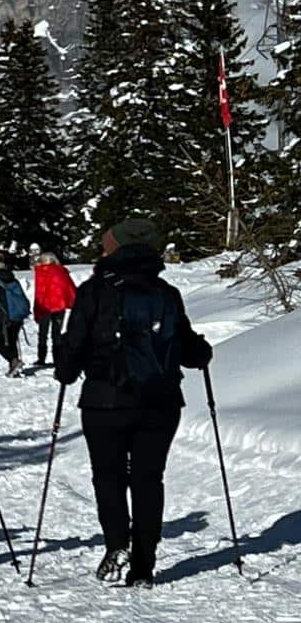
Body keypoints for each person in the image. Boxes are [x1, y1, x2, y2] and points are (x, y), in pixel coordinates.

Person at [54, 218, 212, 588]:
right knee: (148, 479)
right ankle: (143, 566)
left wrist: (65, 369)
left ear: (118, 247)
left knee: (108, 477)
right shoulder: (166, 292)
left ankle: (116, 543)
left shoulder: (94, 291)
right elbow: (189, 351)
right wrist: (202, 351)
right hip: (160, 401)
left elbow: (73, 350)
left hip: (104, 402)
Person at [32, 251, 77, 368]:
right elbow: (69, 288)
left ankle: (41, 358)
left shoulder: (41, 272)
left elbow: (40, 292)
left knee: (43, 333)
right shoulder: (61, 271)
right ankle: (58, 358)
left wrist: (37, 308)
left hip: (45, 307)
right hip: (59, 306)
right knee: (56, 334)